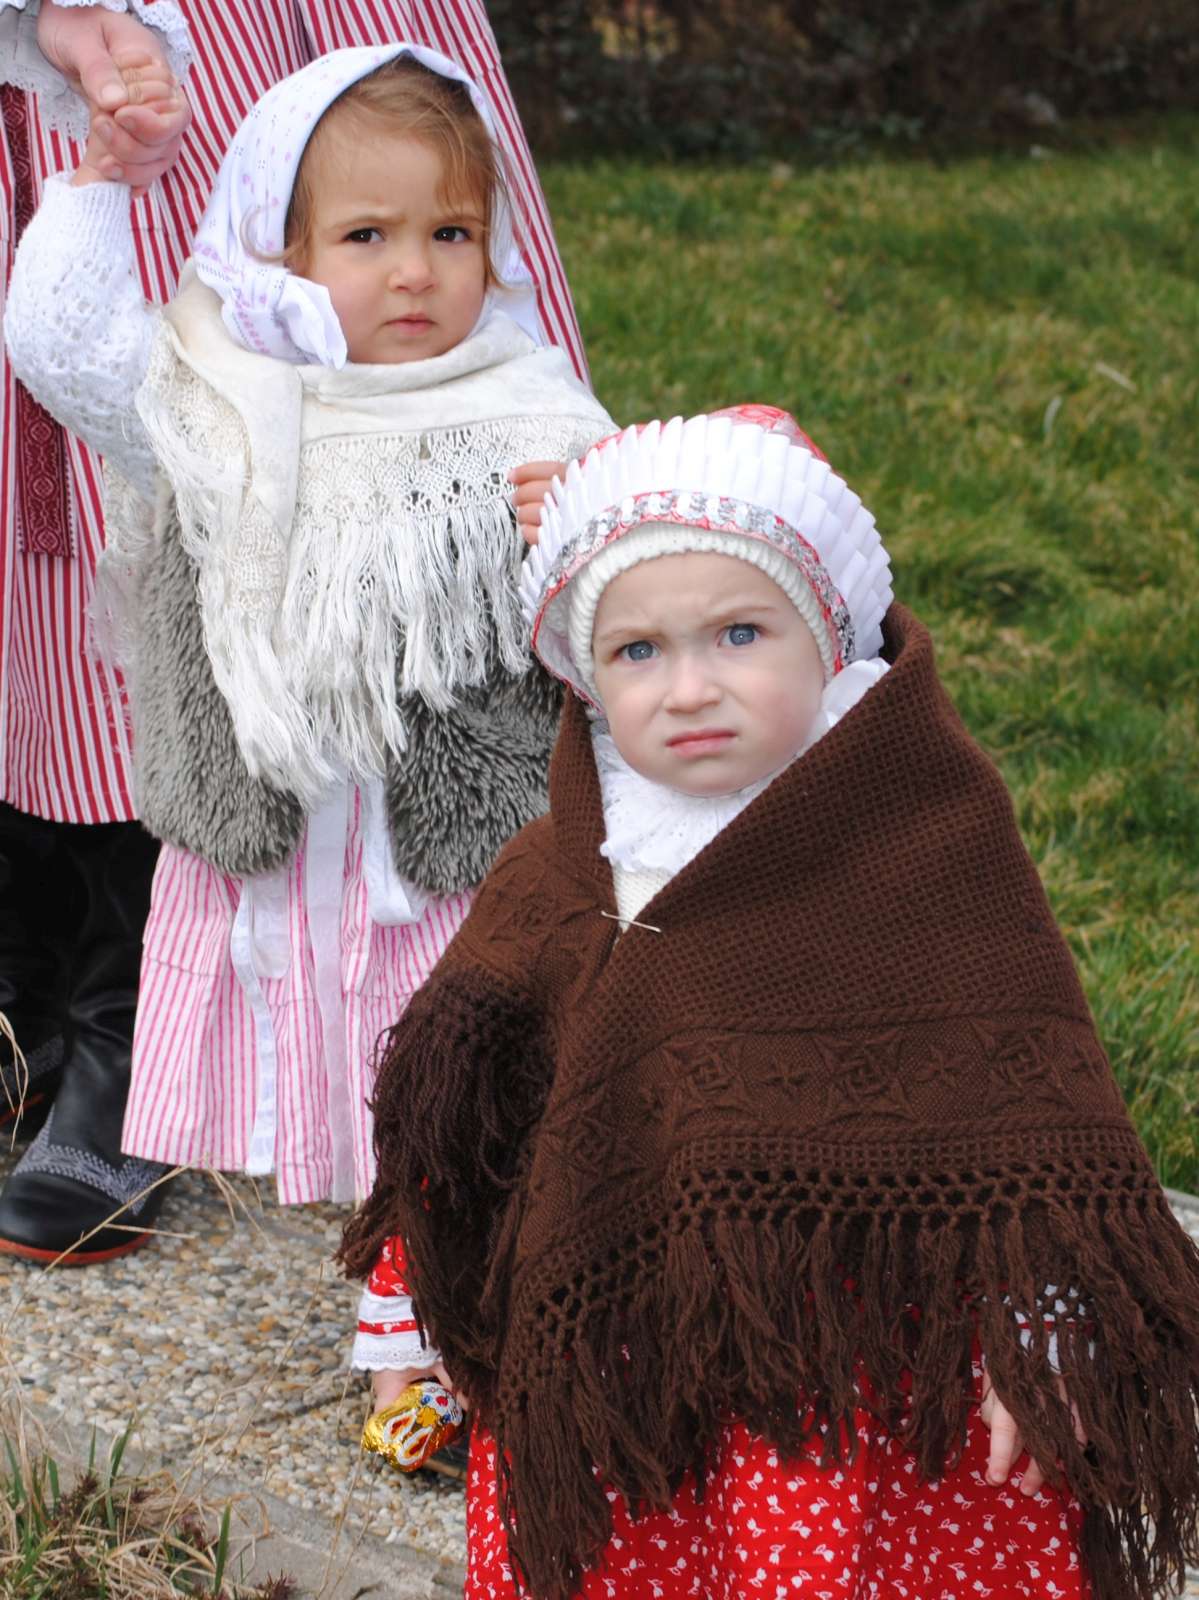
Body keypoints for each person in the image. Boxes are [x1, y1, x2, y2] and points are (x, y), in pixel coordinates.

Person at [341, 407, 1199, 1600]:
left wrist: (1046, 1317)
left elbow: (1022, 1108)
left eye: (738, 632)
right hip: (632, 1371)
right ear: (583, 674)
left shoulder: (918, 846)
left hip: (868, 1364)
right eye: (636, 650)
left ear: (829, 636)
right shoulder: (564, 872)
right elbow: (467, 1132)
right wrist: (414, 1306)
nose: (688, 687)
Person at [0, 0, 587, 1264]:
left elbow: (611, 606)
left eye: (450, 233)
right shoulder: (223, 400)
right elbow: (63, 344)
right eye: (366, 237)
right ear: (277, 245)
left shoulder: (522, 402)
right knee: (339, 1071)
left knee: (465, 1073)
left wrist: (585, 529)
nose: (415, 271)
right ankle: (396, 1258)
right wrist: (99, 187)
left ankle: (443, 1283)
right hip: (284, 839)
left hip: (443, 853)